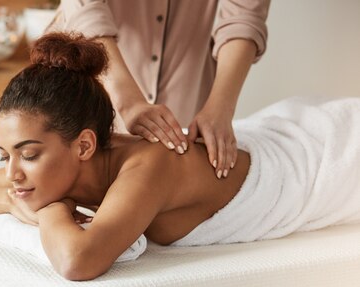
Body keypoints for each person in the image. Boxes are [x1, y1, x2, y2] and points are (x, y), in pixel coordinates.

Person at [0, 33, 360, 281]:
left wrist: (47, 211)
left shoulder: (147, 166)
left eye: (28, 154)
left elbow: (77, 261)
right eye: (4, 155)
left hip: (321, 162)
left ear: (83, 145)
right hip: (273, 133)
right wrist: (8, 201)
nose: (12, 173)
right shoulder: (46, 168)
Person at [48, 0, 271, 180]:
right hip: (95, 70)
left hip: (186, 88)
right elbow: (86, 9)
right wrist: (128, 102)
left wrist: (220, 108)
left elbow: (244, 16)